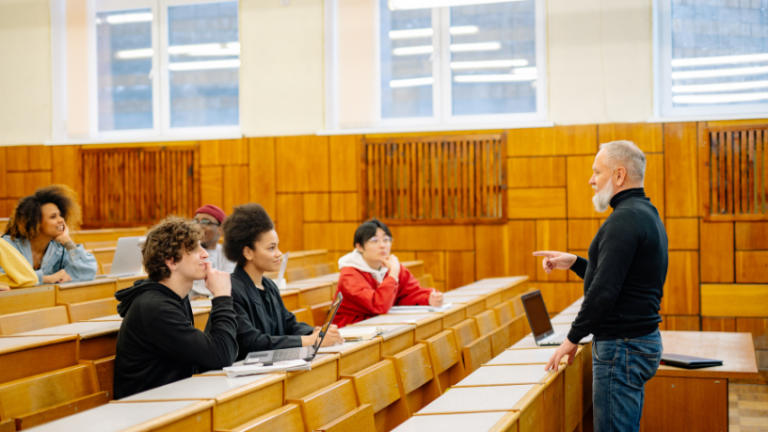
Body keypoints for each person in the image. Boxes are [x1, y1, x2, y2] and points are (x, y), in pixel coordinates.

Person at [533, 140, 667, 432]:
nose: (590, 180)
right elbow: (622, 278)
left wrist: (572, 339)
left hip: (622, 346)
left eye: (597, 172)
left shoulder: (625, 219)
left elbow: (604, 292)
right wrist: (578, 262)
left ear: (619, 175)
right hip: (637, 341)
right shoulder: (644, 212)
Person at [113, 216, 238, 399]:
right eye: (195, 249)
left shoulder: (175, 298)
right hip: (145, 413)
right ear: (172, 262)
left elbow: (207, 356)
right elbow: (221, 355)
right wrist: (222, 298)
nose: (205, 254)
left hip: (170, 399)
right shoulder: (155, 307)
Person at [215, 203, 343, 361]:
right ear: (248, 252)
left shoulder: (269, 286)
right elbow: (252, 341)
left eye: (277, 247)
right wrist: (308, 340)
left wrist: (316, 332)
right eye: (271, 248)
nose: (279, 253)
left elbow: (289, 324)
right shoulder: (230, 289)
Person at [332, 219, 443, 327]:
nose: (382, 245)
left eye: (386, 239)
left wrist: (429, 298)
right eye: (374, 240)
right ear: (359, 247)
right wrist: (393, 273)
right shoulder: (350, 275)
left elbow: (407, 294)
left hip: (377, 325)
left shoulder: (391, 267)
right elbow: (378, 305)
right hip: (351, 331)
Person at [1, 185, 97, 285]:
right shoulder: (8, 245)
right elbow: (4, 279)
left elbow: (88, 272)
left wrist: (67, 241)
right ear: (35, 222)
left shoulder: (59, 248)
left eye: (60, 215)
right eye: (53, 216)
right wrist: (46, 278)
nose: (61, 220)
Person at [190, 204, 236, 298]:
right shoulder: (186, 252)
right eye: (195, 221)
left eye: (205, 222)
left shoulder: (227, 253)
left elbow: (230, 281)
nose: (198, 226)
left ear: (220, 229)